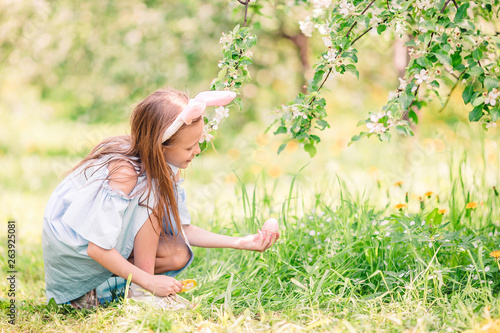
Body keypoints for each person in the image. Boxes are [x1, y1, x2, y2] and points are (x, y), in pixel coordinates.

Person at [42, 87, 279, 309]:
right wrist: (149, 281)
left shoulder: (164, 167)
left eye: (198, 143)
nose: (196, 151)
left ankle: (114, 289)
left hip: (101, 248)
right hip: (77, 257)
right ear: (161, 146)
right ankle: (134, 293)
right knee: (151, 194)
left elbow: (184, 229)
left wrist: (241, 242)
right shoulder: (124, 173)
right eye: (189, 148)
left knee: (177, 253)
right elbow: (97, 249)